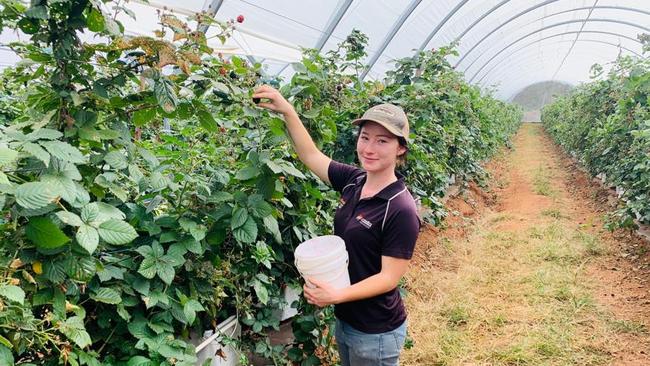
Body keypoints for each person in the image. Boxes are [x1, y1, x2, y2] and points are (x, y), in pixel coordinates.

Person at [253, 85, 421, 366]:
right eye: (365, 137)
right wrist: (287, 111)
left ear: (400, 148)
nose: (368, 148)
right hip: (346, 319)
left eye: (382, 141)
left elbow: (389, 278)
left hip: (375, 330)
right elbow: (311, 156)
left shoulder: (400, 208)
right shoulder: (354, 181)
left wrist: (337, 295)